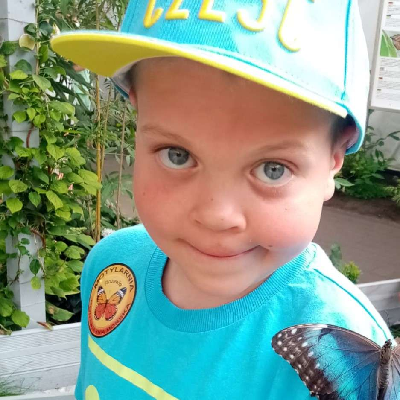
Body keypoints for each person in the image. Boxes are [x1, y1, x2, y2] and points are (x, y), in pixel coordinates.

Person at [51, 1, 393, 399]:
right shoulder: (111, 266)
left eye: (273, 169)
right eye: (177, 155)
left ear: (334, 160)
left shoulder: (350, 363)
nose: (216, 215)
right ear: (137, 112)